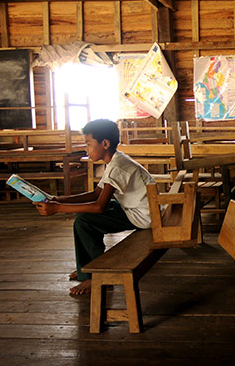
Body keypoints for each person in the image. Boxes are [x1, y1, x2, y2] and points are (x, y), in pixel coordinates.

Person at [34, 119, 155, 296]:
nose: (86, 149)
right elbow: (95, 194)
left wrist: (57, 208)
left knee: (85, 221)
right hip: (136, 208)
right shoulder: (115, 160)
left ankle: (97, 275)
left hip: (143, 217)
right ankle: (87, 269)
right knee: (88, 216)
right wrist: (59, 199)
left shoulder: (117, 166)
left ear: (105, 143)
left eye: (89, 144)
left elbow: (98, 206)